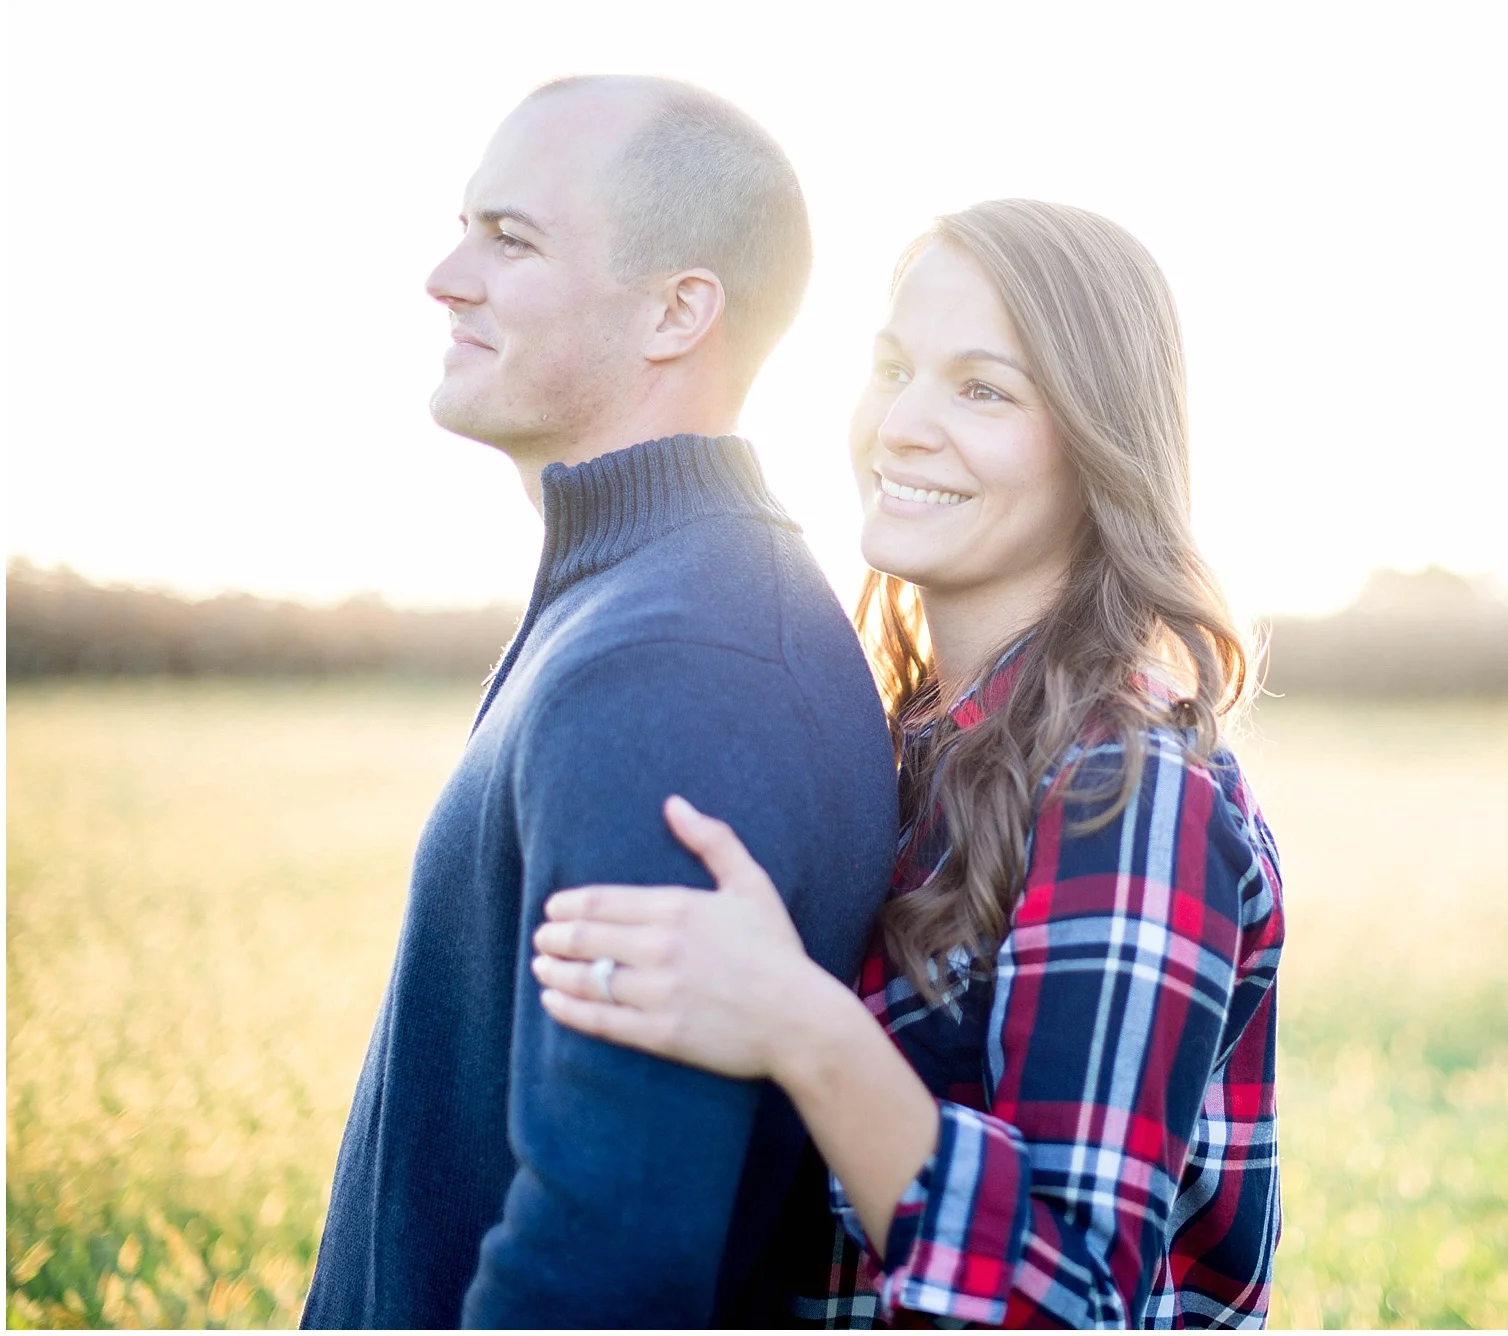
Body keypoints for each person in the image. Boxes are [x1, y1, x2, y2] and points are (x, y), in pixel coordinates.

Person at [529, 199, 1286, 1327]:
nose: (904, 425)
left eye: (982, 389)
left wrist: (799, 1022)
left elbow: (1074, 1303)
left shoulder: (1124, 782)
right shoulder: (905, 741)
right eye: (892, 368)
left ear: (1096, 440)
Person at [300, 76, 899, 1329]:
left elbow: (610, 1256)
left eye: (508, 237)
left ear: (679, 311)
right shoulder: (631, 598)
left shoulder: (682, 661)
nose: (444, 276)